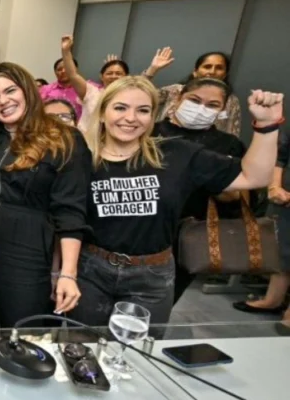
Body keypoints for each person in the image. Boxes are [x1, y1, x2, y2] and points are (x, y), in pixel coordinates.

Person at [72, 76, 281, 328]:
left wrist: (267, 126)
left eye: (143, 110)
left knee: (137, 351)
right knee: (81, 345)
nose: (131, 118)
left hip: (151, 275)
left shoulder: (177, 153)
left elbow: (254, 176)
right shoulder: (81, 157)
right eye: (120, 107)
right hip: (90, 271)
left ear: (152, 117)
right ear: (103, 113)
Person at [0, 62, 88, 327]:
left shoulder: (64, 138)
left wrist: (67, 274)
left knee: (24, 330)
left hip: (28, 249)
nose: (3, 101)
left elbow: (71, 211)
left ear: (27, 89)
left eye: (10, 91)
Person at [149, 77, 246, 304]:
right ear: (180, 97)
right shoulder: (151, 131)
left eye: (212, 105)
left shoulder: (227, 144)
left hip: (188, 234)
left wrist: (208, 177)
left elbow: (234, 195)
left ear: (223, 110)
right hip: (141, 225)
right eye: (195, 100)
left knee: (163, 299)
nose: (201, 108)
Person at [235, 129, 290, 333]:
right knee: (281, 249)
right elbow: (281, 157)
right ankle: (272, 299)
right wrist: (274, 187)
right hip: (284, 198)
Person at [145, 51, 243, 137]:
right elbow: (140, 95)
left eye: (219, 68)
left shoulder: (230, 100)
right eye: (207, 67)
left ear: (225, 74)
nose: (212, 72)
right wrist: (152, 69)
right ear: (195, 72)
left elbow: (232, 132)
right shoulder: (175, 90)